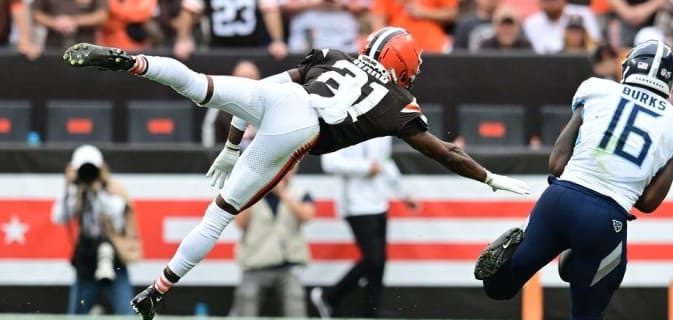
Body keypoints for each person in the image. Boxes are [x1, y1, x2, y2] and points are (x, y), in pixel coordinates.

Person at [62, 26, 531, 320]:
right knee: (219, 214)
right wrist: (488, 177)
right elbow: (444, 152)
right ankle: (157, 290)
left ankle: (134, 62)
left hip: (283, 102)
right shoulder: (397, 103)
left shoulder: (333, 55)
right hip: (303, 126)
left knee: (197, 84)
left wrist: (230, 145)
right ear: (401, 65)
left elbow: (260, 92)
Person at [474, 40, 673, 319]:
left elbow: (556, 165)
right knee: (586, 314)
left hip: (558, 201)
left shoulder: (597, 90)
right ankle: (577, 254)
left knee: (499, 288)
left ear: (627, 68)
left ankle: (512, 258)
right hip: (605, 219)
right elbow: (648, 203)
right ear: (672, 85)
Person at [312, 136, 415, 318]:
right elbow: (330, 163)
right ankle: (329, 296)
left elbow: (386, 162)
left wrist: (402, 193)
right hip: (354, 205)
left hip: (378, 203)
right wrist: (365, 167)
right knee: (373, 259)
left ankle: (370, 313)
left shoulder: (383, 130)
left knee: (379, 264)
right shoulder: (342, 124)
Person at [52, 145, 142, 315]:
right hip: (87, 260)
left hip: (114, 259)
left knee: (127, 313)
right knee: (77, 314)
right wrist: (71, 187)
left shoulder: (113, 187)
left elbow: (118, 215)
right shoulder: (75, 190)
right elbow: (59, 217)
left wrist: (97, 191)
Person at [228, 166, 314, 317]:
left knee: (295, 298)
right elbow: (240, 223)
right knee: (247, 298)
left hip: (288, 266)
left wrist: (282, 193)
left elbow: (307, 216)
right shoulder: (251, 193)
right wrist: (252, 193)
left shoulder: (300, 193)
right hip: (255, 265)